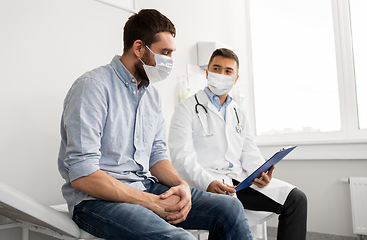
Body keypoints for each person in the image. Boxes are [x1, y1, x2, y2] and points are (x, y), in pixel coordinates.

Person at [58, 10, 253, 240]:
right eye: (165, 52)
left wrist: (182, 186)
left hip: (143, 187)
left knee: (230, 208)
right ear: (139, 48)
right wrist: (151, 202)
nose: (170, 61)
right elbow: (83, 175)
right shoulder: (92, 87)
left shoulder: (151, 96)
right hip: (96, 202)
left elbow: (157, 156)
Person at [169, 48, 307, 240]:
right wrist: (208, 182)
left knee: (296, 199)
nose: (221, 75)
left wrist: (261, 173)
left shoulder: (238, 112)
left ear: (235, 78)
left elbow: (249, 153)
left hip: (238, 181)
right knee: (226, 208)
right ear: (207, 73)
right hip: (205, 183)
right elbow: (181, 158)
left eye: (228, 71)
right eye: (216, 69)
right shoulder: (186, 109)